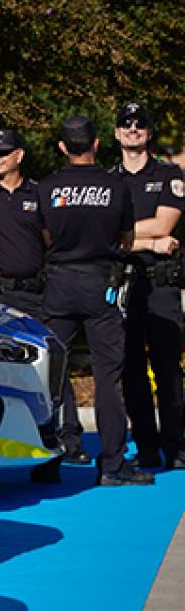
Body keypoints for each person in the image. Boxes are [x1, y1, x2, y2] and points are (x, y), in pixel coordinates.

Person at [0, 129, 90, 469]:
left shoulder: (40, 193)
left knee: (50, 369)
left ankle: (68, 440)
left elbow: (54, 241)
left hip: (35, 294)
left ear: (19, 155)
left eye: (2, 152)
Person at [38, 115, 150, 486]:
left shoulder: (48, 187)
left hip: (60, 282)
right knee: (108, 376)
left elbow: (45, 236)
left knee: (51, 374)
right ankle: (114, 464)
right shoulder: (116, 187)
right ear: (97, 144)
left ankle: (51, 454)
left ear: (62, 147)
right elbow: (128, 238)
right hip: (102, 282)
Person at [110, 102, 185, 470]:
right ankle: (145, 445)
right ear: (117, 133)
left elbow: (163, 225)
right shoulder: (108, 181)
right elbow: (104, 234)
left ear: (150, 133)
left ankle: (175, 445)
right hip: (124, 287)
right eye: (127, 125)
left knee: (168, 369)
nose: (134, 130)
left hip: (160, 287)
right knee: (132, 370)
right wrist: (148, 241)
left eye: (140, 125)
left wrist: (127, 237)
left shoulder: (170, 175)